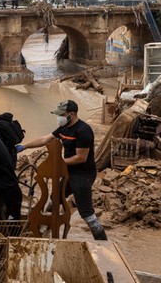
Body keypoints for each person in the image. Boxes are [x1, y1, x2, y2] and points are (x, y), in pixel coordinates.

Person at [15, 100, 107, 240]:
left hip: (83, 174)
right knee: (55, 197)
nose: (59, 118)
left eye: (61, 115)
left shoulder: (83, 130)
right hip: (68, 171)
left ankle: (102, 241)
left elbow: (80, 158)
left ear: (72, 114)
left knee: (86, 212)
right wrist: (24, 147)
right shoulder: (64, 128)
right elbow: (45, 139)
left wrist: (58, 163)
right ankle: (46, 223)